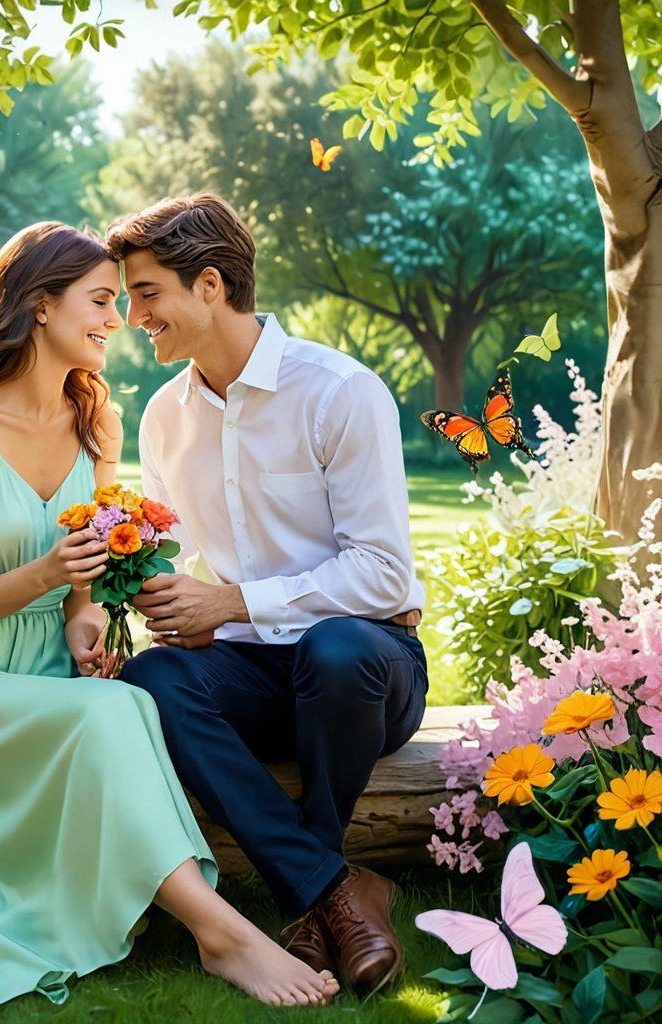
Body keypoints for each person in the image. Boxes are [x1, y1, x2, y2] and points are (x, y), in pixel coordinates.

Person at [0, 221, 340, 1008]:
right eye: (102, 301)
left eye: (123, 302)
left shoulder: (95, 423)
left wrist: (82, 615)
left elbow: (83, 578)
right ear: (40, 307)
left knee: (130, 700)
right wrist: (46, 572)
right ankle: (221, 934)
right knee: (114, 715)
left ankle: (216, 925)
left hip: (40, 669)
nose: (120, 319)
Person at [107, 194, 428, 996]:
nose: (131, 313)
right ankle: (335, 893)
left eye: (147, 292)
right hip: (250, 671)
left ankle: (309, 899)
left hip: (367, 671)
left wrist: (233, 602)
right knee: (153, 681)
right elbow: (173, 554)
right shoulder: (162, 417)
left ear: (209, 285)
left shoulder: (339, 392)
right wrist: (146, 596)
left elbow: (386, 576)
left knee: (339, 645)